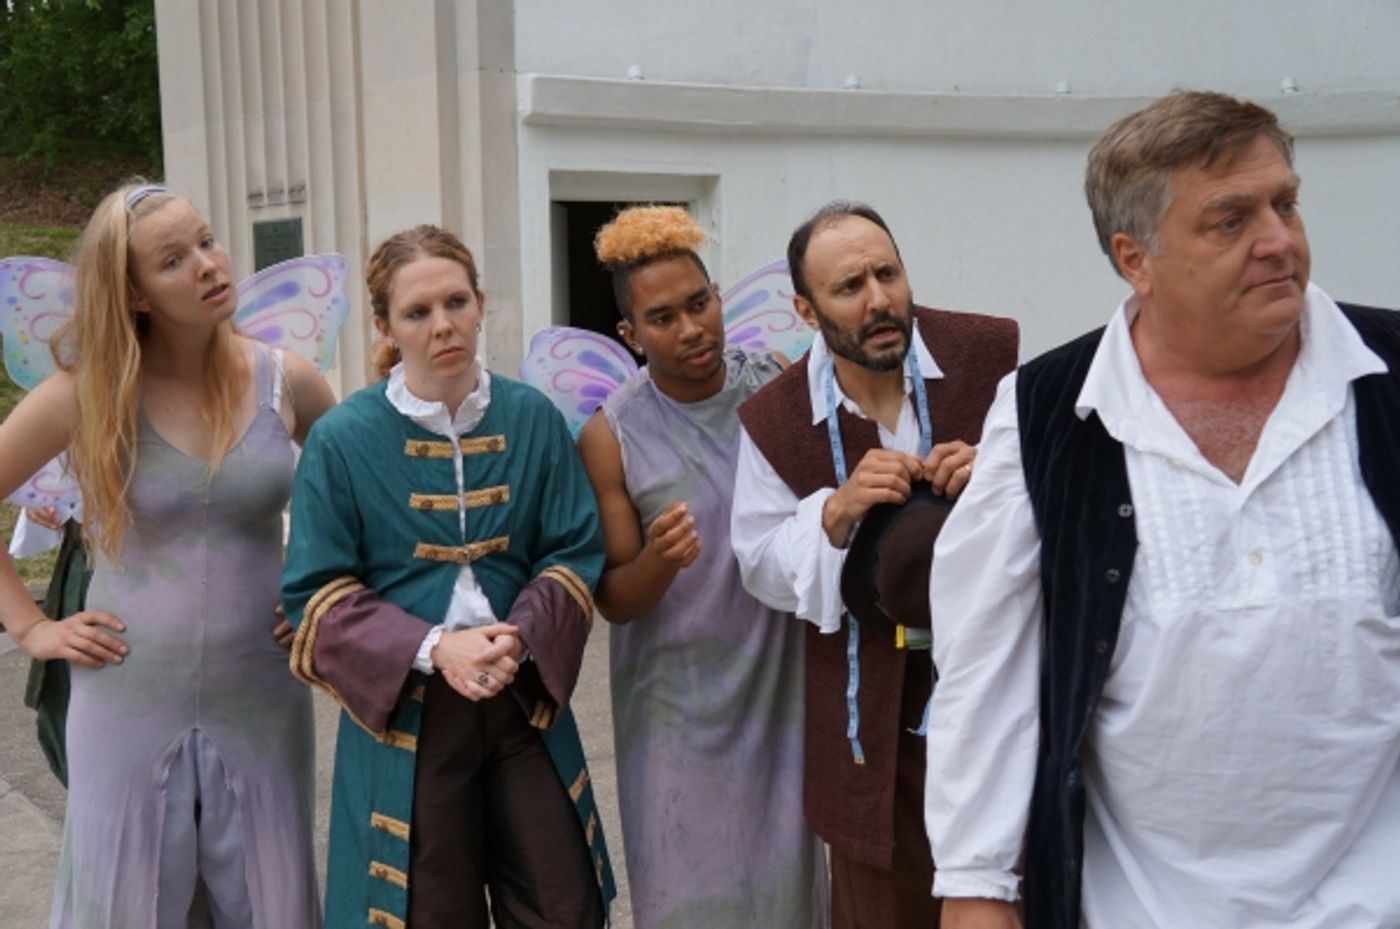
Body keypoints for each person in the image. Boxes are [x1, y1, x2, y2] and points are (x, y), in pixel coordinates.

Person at [924, 90, 1400, 929]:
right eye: (1230, 220)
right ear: (1133, 257)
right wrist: (974, 888)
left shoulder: (1390, 378)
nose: (1280, 240)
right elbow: (984, 674)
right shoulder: (1047, 414)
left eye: (1285, 203)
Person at [0, 180, 334, 928]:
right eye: (175, 259)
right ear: (137, 293)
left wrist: (322, 598)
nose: (209, 265)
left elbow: (360, 496)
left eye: (207, 242)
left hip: (262, 693)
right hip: (126, 695)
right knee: (126, 900)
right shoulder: (88, 392)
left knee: (265, 898)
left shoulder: (287, 379)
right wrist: (31, 629)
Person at [281, 224, 613, 929]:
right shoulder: (343, 438)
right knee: (428, 910)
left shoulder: (532, 418)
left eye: (456, 302)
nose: (443, 325)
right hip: (409, 711)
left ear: (480, 302)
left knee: (562, 902)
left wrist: (521, 635)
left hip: (522, 700)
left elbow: (572, 549)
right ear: (384, 326)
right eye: (418, 312)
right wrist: (436, 647)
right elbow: (315, 593)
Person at [731, 200, 1018, 929]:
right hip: (865, 732)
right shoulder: (774, 415)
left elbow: (1062, 493)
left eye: (887, 273)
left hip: (994, 704)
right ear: (806, 307)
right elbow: (759, 562)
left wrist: (1000, 472)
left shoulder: (989, 355)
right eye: (849, 286)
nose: (880, 299)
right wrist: (833, 512)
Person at [575, 205, 827, 927]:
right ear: (630, 334)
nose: (691, 329)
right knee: (688, 893)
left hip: (779, 689)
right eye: (662, 318)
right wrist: (659, 558)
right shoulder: (610, 434)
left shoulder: (773, 387)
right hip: (674, 710)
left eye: (699, 302)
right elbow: (615, 598)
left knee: (785, 895)